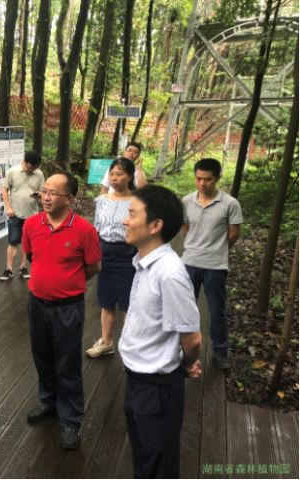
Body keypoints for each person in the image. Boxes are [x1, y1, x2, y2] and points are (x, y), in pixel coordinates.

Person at [119, 185, 202, 478]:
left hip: (157, 387)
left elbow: (192, 338)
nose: (125, 220)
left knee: (158, 464)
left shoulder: (169, 273)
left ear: (155, 226)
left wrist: (188, 364)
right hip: (137, 379)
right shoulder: (144, 263)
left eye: (132, 214)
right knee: (144, 455)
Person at [22, 172, 101, 450]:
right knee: (42, 357)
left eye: (53, 193)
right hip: (36, 304)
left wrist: (69, 283)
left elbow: (93, 266)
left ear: (70, 198)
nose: (46, 197)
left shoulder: (84, 230)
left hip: (68, 307)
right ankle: (49, 402)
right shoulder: (31, 224)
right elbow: (31, 256)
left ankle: (70, 419)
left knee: (67, 364)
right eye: (44, 191)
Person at [181, 158, 242, 370]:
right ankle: (182, 348)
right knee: (185, 308)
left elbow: (233, 234)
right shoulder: (186, 201)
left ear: (217, 178)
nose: (202, 183)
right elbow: (186, 228)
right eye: (198, 178)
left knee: (217, 311)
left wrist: (217, 249)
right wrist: (196, 245)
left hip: (216, 265)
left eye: (207, 179)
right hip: (189, 262)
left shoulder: (230, 204)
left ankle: (220, 351)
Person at [86, 157, 137, 358]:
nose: (114, 178)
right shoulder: (102, 200)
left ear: (130, 176)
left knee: (129, 304)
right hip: (105, 254)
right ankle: (106, 342)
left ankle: (131, 345)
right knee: (106, 301)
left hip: (129, 255)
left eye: (119, 174)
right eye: (112, 174)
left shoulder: (138, 201)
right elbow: (97, 228)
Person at [0, 150, 45, 281]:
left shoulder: (39, 174)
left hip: (32, 216)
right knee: (13, 242)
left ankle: (23, 267)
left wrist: (39, 196)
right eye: (30, 167)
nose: (31, 170)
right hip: (16, 214)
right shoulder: (12, 172)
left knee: (27, 243)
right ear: (24, 162)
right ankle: (9, 269)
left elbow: (42, 192)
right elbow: (4, 189)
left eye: (34, 168)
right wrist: (8, 208)